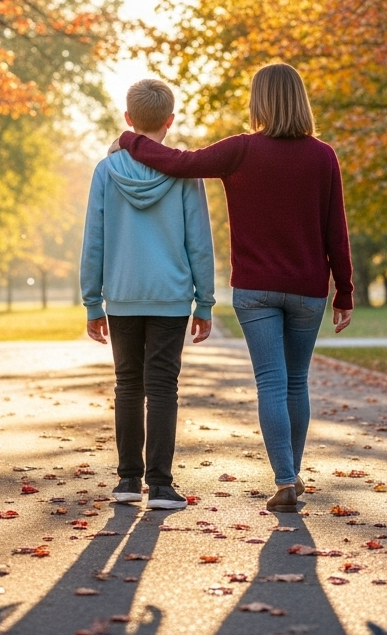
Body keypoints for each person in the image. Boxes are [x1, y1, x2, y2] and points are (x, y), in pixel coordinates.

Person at [113, 62, 352, 513]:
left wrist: (130, 140)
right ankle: (291, 475)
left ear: (258, 101)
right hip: (308, 290)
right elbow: (335, 230)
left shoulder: (241, 150)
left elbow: (179, 162)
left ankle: (285, 478)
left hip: (256, 289)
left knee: (272, 382)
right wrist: (345, 291)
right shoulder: (323, 156)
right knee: (296, 381)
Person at [80, 78, 215, 511]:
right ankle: (159, 486)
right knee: (162, 388)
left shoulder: (106, 171)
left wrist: (92, 301)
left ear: (128, 120)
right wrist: (205, 300)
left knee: (127, 386)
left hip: (121, 294)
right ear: (170, 122)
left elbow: (94, 239)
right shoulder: (183, 174)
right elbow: (199, 241)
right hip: (171, 296)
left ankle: (126, 482)